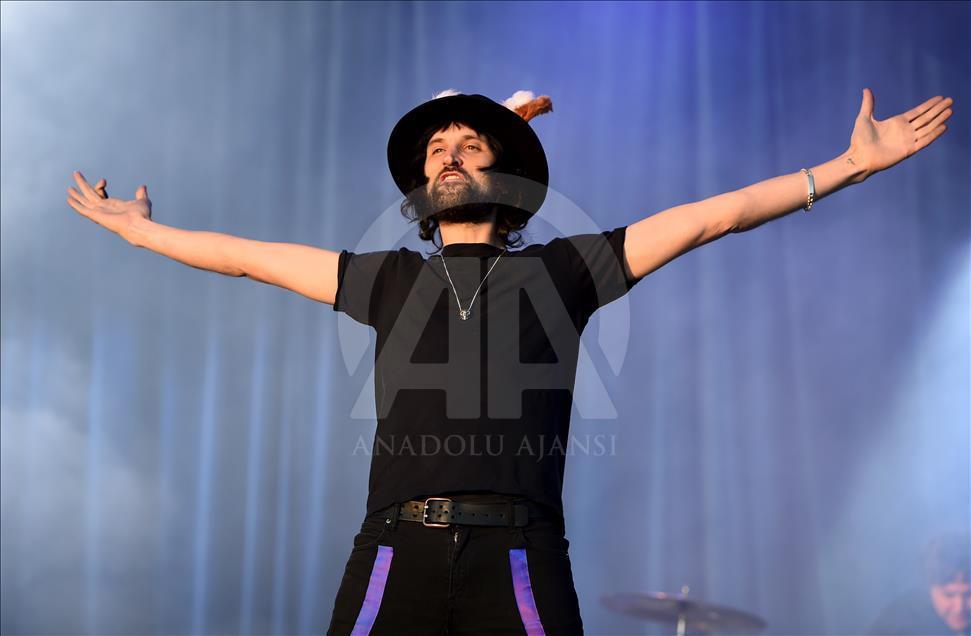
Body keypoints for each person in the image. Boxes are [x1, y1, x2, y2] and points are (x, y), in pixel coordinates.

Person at [66, 87, 953, 635]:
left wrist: (846, 166)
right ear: (422, 187)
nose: (448, 156)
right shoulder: (384, 280)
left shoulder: (564, 271)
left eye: (469, 144)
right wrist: (142, 234)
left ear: (507, 179)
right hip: (394, 552)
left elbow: (709, 217)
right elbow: (243, 256)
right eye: (435, 150)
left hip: (520, 555)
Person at [868, 532, 971, 636]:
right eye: (949, 595)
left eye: (968, 594)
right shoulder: (897, 626)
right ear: (930, 588)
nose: (959, 607)